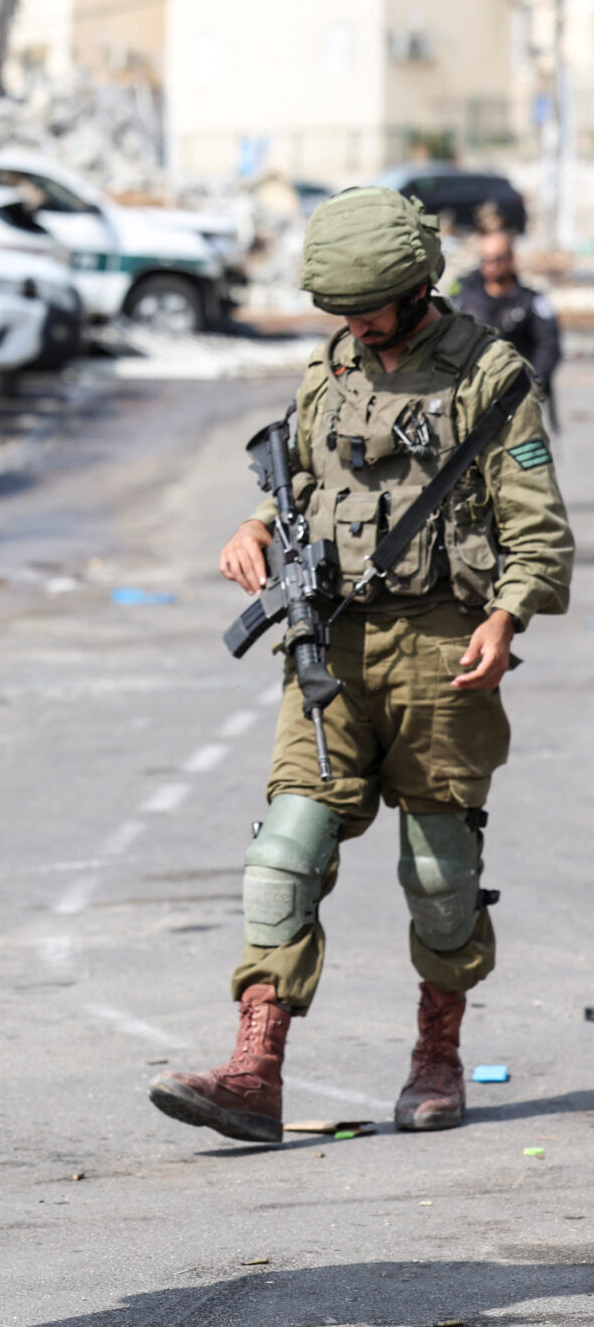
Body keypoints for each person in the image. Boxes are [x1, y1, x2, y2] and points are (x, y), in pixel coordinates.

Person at [149, 187, 573, 1144]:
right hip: (330, 647)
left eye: (371, 307)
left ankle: (437, 1057)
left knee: (440, 873)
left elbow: (541, 536)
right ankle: (255, 1070)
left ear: (420, 285)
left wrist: (506, 620)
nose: (355, 325)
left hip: (440, 649)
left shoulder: (491, 376)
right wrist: (254, 527)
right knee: (282, 857)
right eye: (342, 310)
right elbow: (295, 479)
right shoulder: (331, 368)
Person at [450, 230, 562, 422]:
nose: (490, 266)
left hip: (520, 399)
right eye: (485, 260)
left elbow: (549, 347)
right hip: (472, 400)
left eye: (497, 259)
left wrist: (533, 384)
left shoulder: (531, 302)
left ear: (510, 259)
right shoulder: (466, 301)